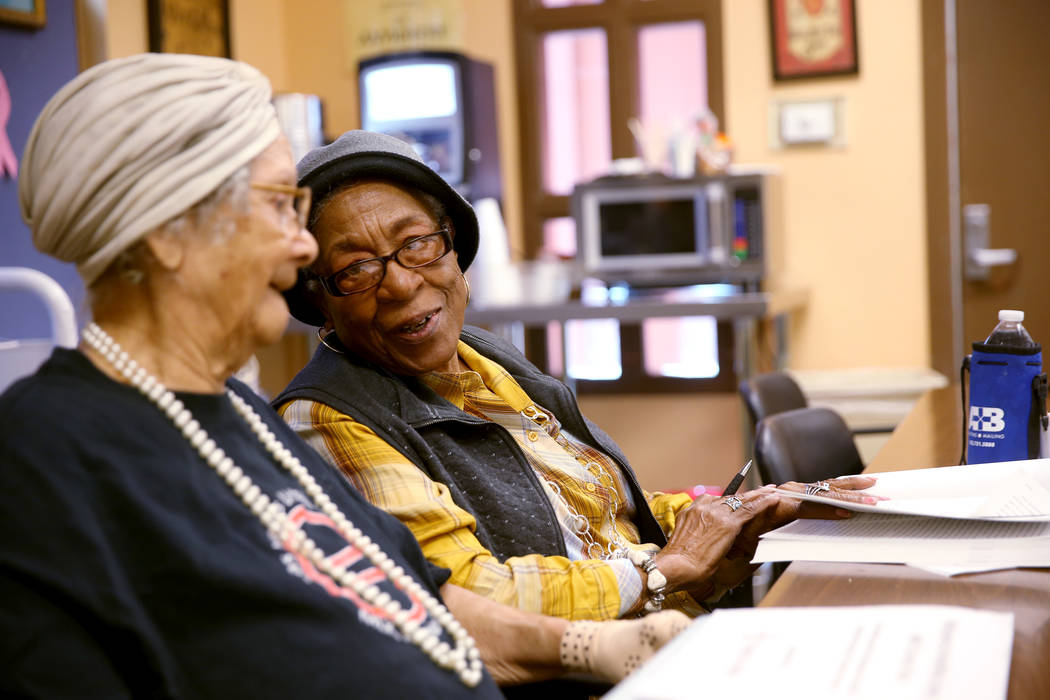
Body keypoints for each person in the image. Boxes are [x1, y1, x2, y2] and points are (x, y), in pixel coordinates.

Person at [0, 53, 694, 699]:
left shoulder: (235, 414)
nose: (304, 246)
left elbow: (423, 599)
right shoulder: (40, 459)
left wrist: (595, 647)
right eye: (279, 206)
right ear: (169, 232)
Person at [274, 130, 876, 621]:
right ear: (321, 300)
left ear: (454, 248)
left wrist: (739, 513)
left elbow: (599, 517)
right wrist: (663, 570)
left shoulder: (487, 358)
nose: (402, 282)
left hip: (671, 640)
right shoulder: (326, 417)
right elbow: (464, 594)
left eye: (417, 245)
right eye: (355, 269)